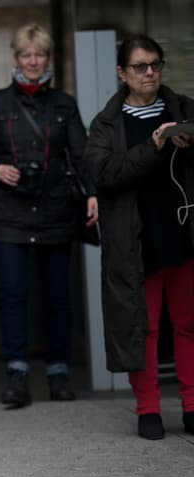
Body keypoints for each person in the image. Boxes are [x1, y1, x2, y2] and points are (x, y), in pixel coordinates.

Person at [0, 23, 98, 407]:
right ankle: (17, 375)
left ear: (48, 59)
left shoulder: (64, 104)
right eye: (26, 55)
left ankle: (58, 373)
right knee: (12, 294)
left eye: (39, 54)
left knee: (57, 295)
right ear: (15, 58)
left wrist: (92, 195)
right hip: (8, 210)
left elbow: (81, 153)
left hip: (56, 205)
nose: (33, 61)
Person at [84, 34, 194, 440]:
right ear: (121, 73)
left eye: (155, 64)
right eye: (140, 66)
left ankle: (192, 406)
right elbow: (105, 175)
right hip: (134, 238)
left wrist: (188, 143)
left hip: (183, 230)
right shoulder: (106, 123)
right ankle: (147, 409)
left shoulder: (183, 108)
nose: (150, 72)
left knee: (188, 323)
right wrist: (155, 144)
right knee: (142, 327)